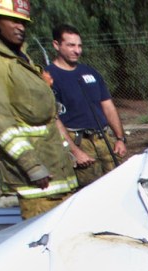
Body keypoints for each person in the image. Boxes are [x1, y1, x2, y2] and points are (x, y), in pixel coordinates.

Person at [0, 0, 78, 219]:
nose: (21, 27)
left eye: (23, 22)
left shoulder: (17, 55)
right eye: (14, 21)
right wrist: (32, 165)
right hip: (37, 185)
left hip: (57, 173)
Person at [46, 23, 127, 187]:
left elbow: (107, 105)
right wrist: (74, 152)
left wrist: (120, 138)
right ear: (56, 45)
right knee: (91, 192)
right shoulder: (48, 77)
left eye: (79, 46)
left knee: (119, 185)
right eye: (71, 45)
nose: (77, 50)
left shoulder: (91, 73)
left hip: (103, 140)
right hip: (79, 143)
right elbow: (52, 119)